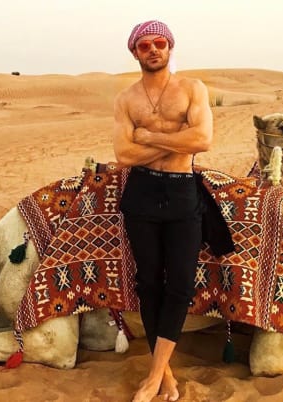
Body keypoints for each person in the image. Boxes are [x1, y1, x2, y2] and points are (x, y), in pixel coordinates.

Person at [113, 20, 213, 402]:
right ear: (134, 52)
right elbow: (123, 155)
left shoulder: (192, 89)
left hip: (182, 191)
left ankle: (153, 376)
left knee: (182, 284)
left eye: (159, 43)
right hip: (142, 192)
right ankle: (166, 375)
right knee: (150, 284)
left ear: (170, 48)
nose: (152, 50)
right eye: (144, 45)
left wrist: (151, 137)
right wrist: (178, 142)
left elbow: (202, 140)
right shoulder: (126, 100)